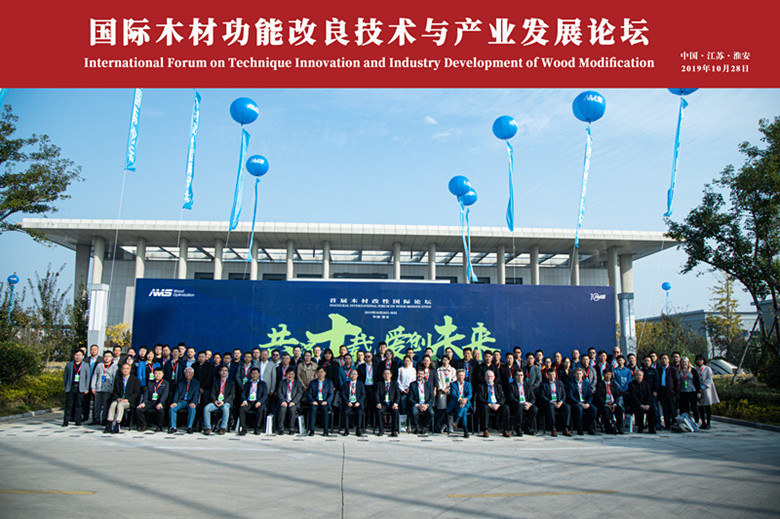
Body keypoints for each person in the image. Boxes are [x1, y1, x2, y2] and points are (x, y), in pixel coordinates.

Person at [105, 362, 141, 434]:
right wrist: (117, 398)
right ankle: (109, 424)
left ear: (130, 369)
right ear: (121, 370)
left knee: (120, 405)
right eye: (123, 369)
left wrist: (127, 399)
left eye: (127, 368)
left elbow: (136, 393)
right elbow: (115, 391)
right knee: (113, 404)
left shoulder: (135, 379)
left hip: (128, 401)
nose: (125, 370)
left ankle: (117, 424)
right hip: (119, 399)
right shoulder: (118, 379)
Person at [537, 368, 572, 437]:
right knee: (550, 407)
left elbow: (564, 395)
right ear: (547, 375)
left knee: (567, 407)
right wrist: (551, 401)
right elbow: (542, 396)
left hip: (559, 402)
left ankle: (566, 428)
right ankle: (553, 428)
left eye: (553, 374)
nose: (552, 376)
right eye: (550, 375)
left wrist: (561, 402)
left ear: (555, 375)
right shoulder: (543, 384)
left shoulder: (560, 383)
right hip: (549, 402)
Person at [476, 370, 510, 438]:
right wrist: (489, 404)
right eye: (488, 376)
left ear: (494, 377)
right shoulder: (481, 386)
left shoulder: (498, 386)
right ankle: (485, 430)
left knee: (506, 408)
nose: (489, 378)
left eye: (491, 376)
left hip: (496, 405)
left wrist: (498, 404)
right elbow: (480, 397)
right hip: (487, 405)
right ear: (485, 377)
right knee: (484, 408)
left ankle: (505, 430)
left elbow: (502, 398)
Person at [203, 365, 235, 435]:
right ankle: (207, 427)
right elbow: (212, 393)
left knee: (226, 408)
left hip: (225, 402)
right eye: (222, 370)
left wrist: (224, 401)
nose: (224, 372)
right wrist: (215, 401)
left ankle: (223, 428)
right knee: (206, 408)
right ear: (219, 372)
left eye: (225, 370)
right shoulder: (216, 382)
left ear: (228, 373)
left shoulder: (231, 382)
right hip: (216, 402)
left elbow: (232, 395)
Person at [136, 367, 170, 432]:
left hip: (159, 402)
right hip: (150, 401)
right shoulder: (150, 383)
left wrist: (161, 403)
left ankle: (159, 426)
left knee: (160, 410)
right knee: (139, 409)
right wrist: (144, 402)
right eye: (156, 373)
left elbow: (165, 394)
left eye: (159, 373)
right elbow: (146, 393)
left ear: (163, 374)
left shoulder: (166, 383)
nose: (157, 375)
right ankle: (144, 424)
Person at [63, 350, 91, 427]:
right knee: (68, 405)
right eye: (76, 355)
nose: (78, 357)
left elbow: (87, 377)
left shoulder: (85, 365)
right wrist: (66, 387)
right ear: (74, 356)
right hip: (71, 387)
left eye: (79, 355)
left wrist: (86, 388)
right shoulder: (69, 364)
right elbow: (65, 376)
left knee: (79, 405)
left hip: (80, 388)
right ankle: (66, 420)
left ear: (82, 356)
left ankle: (78, 420)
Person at [506, 368, 537, 436]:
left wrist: (529, 404)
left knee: (534, 409)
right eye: (518, 375)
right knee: (519, 407)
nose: (520, 377)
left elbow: (533, 397)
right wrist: (521, 403)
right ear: (515, 376)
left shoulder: (528, 385)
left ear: (523, 376)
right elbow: (511, 398)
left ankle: (528, 427)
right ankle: (518, 428)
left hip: (526, 404)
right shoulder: (511, 385)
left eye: (521, 375)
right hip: (516, 405)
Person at [168, 367, 200, 434]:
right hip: (181, 401)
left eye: (190, 372)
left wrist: (193, 402)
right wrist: (175, 402)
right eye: (186, 372)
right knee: (172, 408)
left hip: (190, 402)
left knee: (192, 409)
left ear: (193, 374)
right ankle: (173, 427)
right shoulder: (180, 383)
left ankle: (189, 427)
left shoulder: (196, 383)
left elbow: (196, 394)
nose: (188, 374)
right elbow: (176, 393)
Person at [90, 350, 118, 426]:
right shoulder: (99, 365)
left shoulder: (114, 366)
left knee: (106, 405)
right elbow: (95, 376)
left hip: (108, 389)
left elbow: (114, 378)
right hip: (98, 388)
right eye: (105, 356)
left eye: (108, 356)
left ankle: (104, 419)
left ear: (111, 358)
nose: (106, 358)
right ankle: (96, 419)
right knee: (97, 405)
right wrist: (93, 387)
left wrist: (112, 388)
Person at [567, 367, 596, 435]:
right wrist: (579, 403)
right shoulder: (571, 384)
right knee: (579, 409)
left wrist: (588, 403)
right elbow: (570, 396)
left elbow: (590, 395)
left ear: (582, 374)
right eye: (577, 374)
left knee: (594, 409)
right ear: (574, 374)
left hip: (585, 402)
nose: (579, 375)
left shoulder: (586, 384)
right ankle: (579, 429)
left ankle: (590, 428)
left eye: (580, 374)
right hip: (576, 403)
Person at [239, 367, 268, 435]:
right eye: (253, 373)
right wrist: (244, 400)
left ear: (259, 374)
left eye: (256, 373)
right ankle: (243, 428)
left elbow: (265, 395)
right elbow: (243, 393)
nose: (254, 375)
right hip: (249, 402)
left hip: (258, 401)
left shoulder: (263, 384)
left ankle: (257, 428)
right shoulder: (247, 383)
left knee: (260, 409)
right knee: (241, 409)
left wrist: (260, 402)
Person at [594, 370, 624, 434]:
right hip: (604, 404)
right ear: (603, 375)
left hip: (613, 404)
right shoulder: (599, 384)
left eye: (609, 374)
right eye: (606, 374)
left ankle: (619, 428)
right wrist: (605, 404)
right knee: (606, 411)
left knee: (620, 410)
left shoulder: (614, 384)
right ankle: (608, 428)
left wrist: (615, 404)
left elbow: (617, 395)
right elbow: (599, 396)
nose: (607, 376)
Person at [627, 368, 656, 433]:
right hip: (636, 404)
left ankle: (652, 428)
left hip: (645, 404)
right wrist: (641, 405)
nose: (639, 377)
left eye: (640, 375)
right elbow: (633, 397)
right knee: (640, 410)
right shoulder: (631, 385)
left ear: (643, 376)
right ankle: (640, 427)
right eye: (637, 375)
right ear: (635, 376)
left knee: (652, 409)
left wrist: (647, 404)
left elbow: (649, 395)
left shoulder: (646, 384)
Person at [307, 367, 334, 436]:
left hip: (324, 401)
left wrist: (327, 401)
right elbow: (309, 393)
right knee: (313, 409)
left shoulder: (329, 382)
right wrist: (312, 401)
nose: (320, 374)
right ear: (316, 373)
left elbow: (331, 394)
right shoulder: (313, 382)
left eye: (322, 372)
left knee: (325, 410)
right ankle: (312, 430)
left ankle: (325, 430)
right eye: (318, 372)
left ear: (325, 373)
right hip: (315, 401)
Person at [276, 369, 304, 435]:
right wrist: (283, 401)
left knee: (292, 409)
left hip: (294, 402)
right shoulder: (281, 382)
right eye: (289, 374)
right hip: (284, 402)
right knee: (282, 409)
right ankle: (281, 428)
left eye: (292, 374)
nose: (290, 376)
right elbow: (279, 392)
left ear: (294, 375)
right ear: (285, 375)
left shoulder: (298, 383)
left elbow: (300, 393)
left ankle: (291, 428)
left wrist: (293, 402)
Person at [695, 354, 719, 430]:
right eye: (698, 360)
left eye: (700, 360)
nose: (699, 361)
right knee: (700, 407)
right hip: (698, 390)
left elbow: (709, 379)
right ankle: (703, 422)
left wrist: (703, 386)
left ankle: (708, 423)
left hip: (706, 389)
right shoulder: (695, 369)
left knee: (707, 407)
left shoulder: (707, 369)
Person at [408, 368, 435, 434]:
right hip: (417, 404)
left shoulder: (429, 384)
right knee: (414, 412)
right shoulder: (412, 384)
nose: (420, 375)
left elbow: (432, 397)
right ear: (416, 374)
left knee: (431, 413)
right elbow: (410, 398)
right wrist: (418, 405)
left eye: (421, 374)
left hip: (426, 404)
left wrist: (426, 405)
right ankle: (417, 426)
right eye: (418, 374)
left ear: (424, 375)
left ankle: (424, 426)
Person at [657, 354, 680, 429]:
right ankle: (667, 424)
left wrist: (676, 392)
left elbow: (677, 381)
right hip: (662, 390)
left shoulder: (673, 369)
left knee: (673, 409)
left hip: (671, 391)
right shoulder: (659, 370)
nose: (664, 360)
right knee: (665, 409)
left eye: (665, 358)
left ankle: (674, 423)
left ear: (668, 360)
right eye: (662, 359)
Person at [446, 369, 471, 438]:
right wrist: (460, 399)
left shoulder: (468, 384)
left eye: (462, 375)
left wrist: (465, 399)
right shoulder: (453, 384)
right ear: (456, 376)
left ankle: (456, 421)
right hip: (456, 403)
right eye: (459, 375)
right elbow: (453, 394)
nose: (460, 377)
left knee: (463, 407)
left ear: (464, 376)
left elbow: (470, 394)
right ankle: (465, 431)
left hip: (465, 402)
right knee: (464, 410)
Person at [375, 368, 401, 436]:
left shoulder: (395, 383)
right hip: (383, 403)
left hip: (392, 403)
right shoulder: (379, 383)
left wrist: (396, 403)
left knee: (395, 411)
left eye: (388, 374)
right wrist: (378, 403)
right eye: (385, 374)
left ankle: (394, 430)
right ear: (382, 375)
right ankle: (381, 430)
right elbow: (376, 394)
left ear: (391, 375)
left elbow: (398, 394)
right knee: (379, 411)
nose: (386, 375)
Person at [340, 368, 365, 436]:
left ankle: (358, 429)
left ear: (357, 375)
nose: (353, 375)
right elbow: (342, 394)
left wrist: (359, 402)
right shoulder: (345, 384)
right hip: (348, 403)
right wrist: (347, 402)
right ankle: (346, 429)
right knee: (346, 412)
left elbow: (363, 394)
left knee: (359, 412)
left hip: (357, 403)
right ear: (349, 375)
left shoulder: (360, 384)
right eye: (351, 374)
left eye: (355, 374)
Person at [435, 355, 456, 432]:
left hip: (450, 392)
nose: (445, 361)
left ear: (449, 361)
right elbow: (438, 380)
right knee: (442, 409)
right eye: (443, 360)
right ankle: (441, 425)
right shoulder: (439, 370)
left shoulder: (453, 370)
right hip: (441, 392)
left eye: (446, 360)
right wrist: (441, 388)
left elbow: (454, 380)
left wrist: (449, 389)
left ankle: (450, 426)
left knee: (450, 409)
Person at [678, 357, 701, 424]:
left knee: (694, 407)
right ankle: (686, 421)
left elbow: (697, 381)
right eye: (683, 362)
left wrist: (698, 391)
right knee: (685, 408)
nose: (684, 363)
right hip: (683, 391)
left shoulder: (693, 370)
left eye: (685, 362)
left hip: (692, 391)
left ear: (688, 363)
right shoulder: (679, 371)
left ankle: (696, 421)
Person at [83, 344, 101, 423]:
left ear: (98, 350)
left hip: (96, 383)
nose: (93, 351)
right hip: (87, 382)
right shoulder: (86, 360)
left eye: (95, 349)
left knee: (96, 402)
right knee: (85, 401)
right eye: (92, 349)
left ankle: (95, 418)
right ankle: (85, 416)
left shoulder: (101, 360)